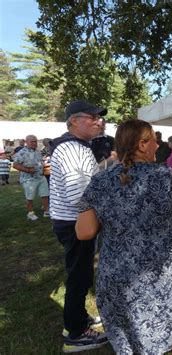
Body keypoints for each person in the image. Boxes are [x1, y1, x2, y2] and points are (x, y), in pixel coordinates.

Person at [76, 120, 172, 354]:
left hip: (120, 274)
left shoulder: (100, 181)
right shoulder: (166, 176)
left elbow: (84, 232)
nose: (158, 146)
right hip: (169, 271)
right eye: (154, 141)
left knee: (131, 335)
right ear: (142, 144)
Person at [49, 100, 108, 352]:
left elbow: (88, 180)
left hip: (75, 220)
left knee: (81, 273)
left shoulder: (79, 146)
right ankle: (75, 334)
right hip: (75, 222)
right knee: (79, 276)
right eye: (92, 117)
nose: (99, 121)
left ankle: (77, 318)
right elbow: (79, 194)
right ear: (73, 121)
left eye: (100, 118)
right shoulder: (72, 149)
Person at [13, 135, 50, 220]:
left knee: (45, 194)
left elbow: (40, 162)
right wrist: (27, 170)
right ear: (26, 142)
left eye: (35, 141)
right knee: (30, 197)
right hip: (29, 179)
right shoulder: (22, 152)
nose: (34, 143)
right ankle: (30, 213)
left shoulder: (37, 151)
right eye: (32, 141)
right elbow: (15, 165)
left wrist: (44, 168)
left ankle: (47, 211)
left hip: (41, 176)